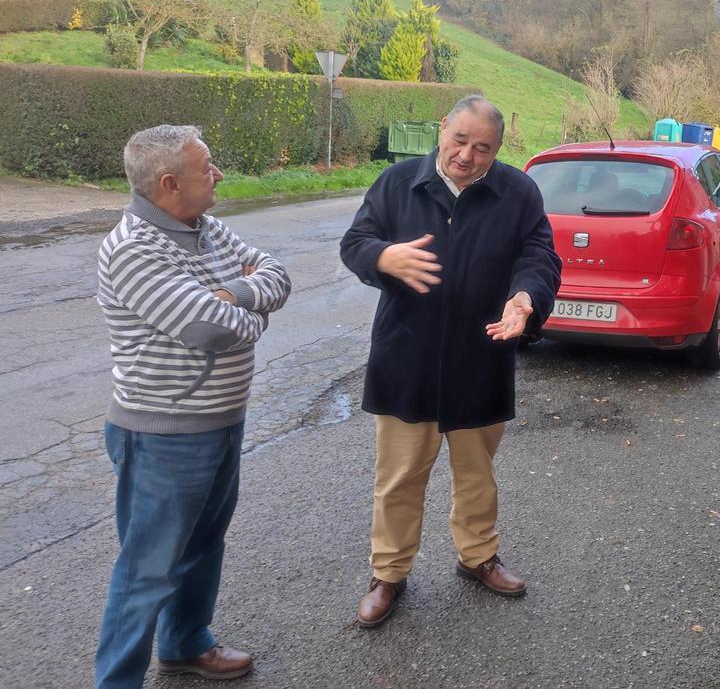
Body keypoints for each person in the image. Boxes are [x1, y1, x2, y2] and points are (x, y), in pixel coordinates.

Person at [340, 95, 561, 628]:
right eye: (460, 140)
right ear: (443, 129)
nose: (467, 155)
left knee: (477, 475)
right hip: (406, 357)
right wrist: (382, 257)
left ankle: (478, 556)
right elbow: (355, 243)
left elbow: (541, 256)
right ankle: (388, 574)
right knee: (397, 479)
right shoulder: (397, 183)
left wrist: (526, 298)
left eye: (482, 148)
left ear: (499, 149)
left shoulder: (518, 191)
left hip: (480, 355)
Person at [95, 126, 292, 689]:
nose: (219, 174)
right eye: (208, 167)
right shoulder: (133, 249)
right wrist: (245, 306)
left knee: (204, 544)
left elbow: (276, 273)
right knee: (146, 571)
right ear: (168, 183)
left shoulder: (205, 229)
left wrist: (239, 295)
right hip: (163, 434)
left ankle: (185, 644)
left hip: (222, 420)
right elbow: (211, 329)